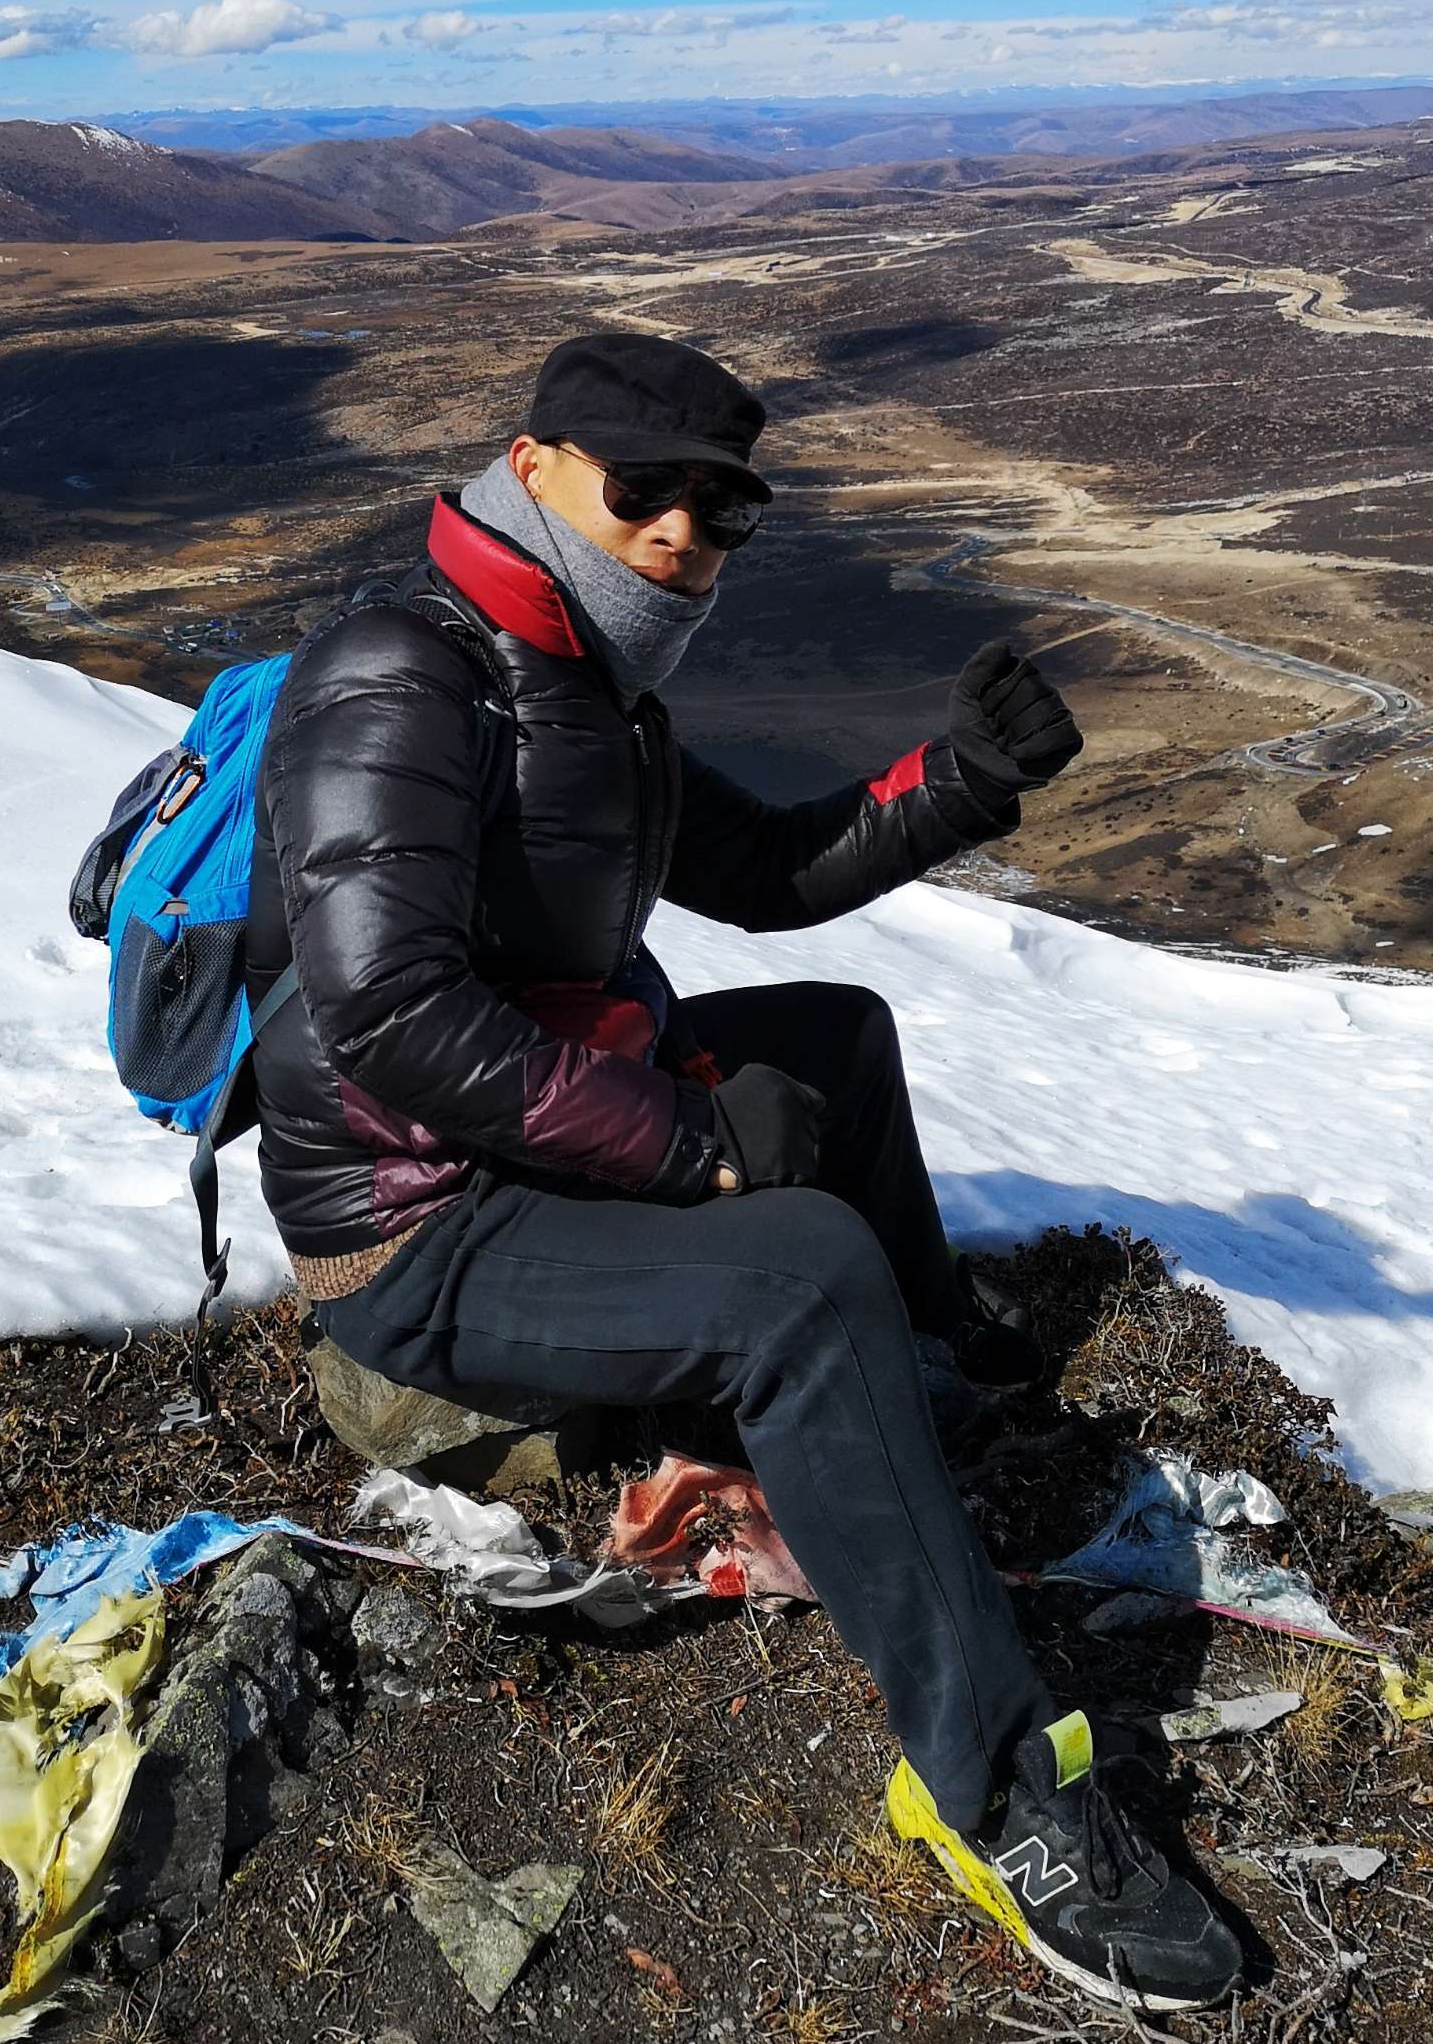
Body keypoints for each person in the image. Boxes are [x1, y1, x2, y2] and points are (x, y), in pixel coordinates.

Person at [242, 329, 1241, 2013]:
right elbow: (392, 1013)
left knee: (836, 1037)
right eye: (648, 493)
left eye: (724, 511)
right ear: (535, 463)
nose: (684, 537)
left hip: (531, 1142)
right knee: (798, 1279)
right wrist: (697, 1149)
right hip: (413, 1231)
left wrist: (960, 784)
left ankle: (930, 1385)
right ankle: (1001, 1790)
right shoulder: (404, 676)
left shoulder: (585, 689)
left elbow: (769, 872)